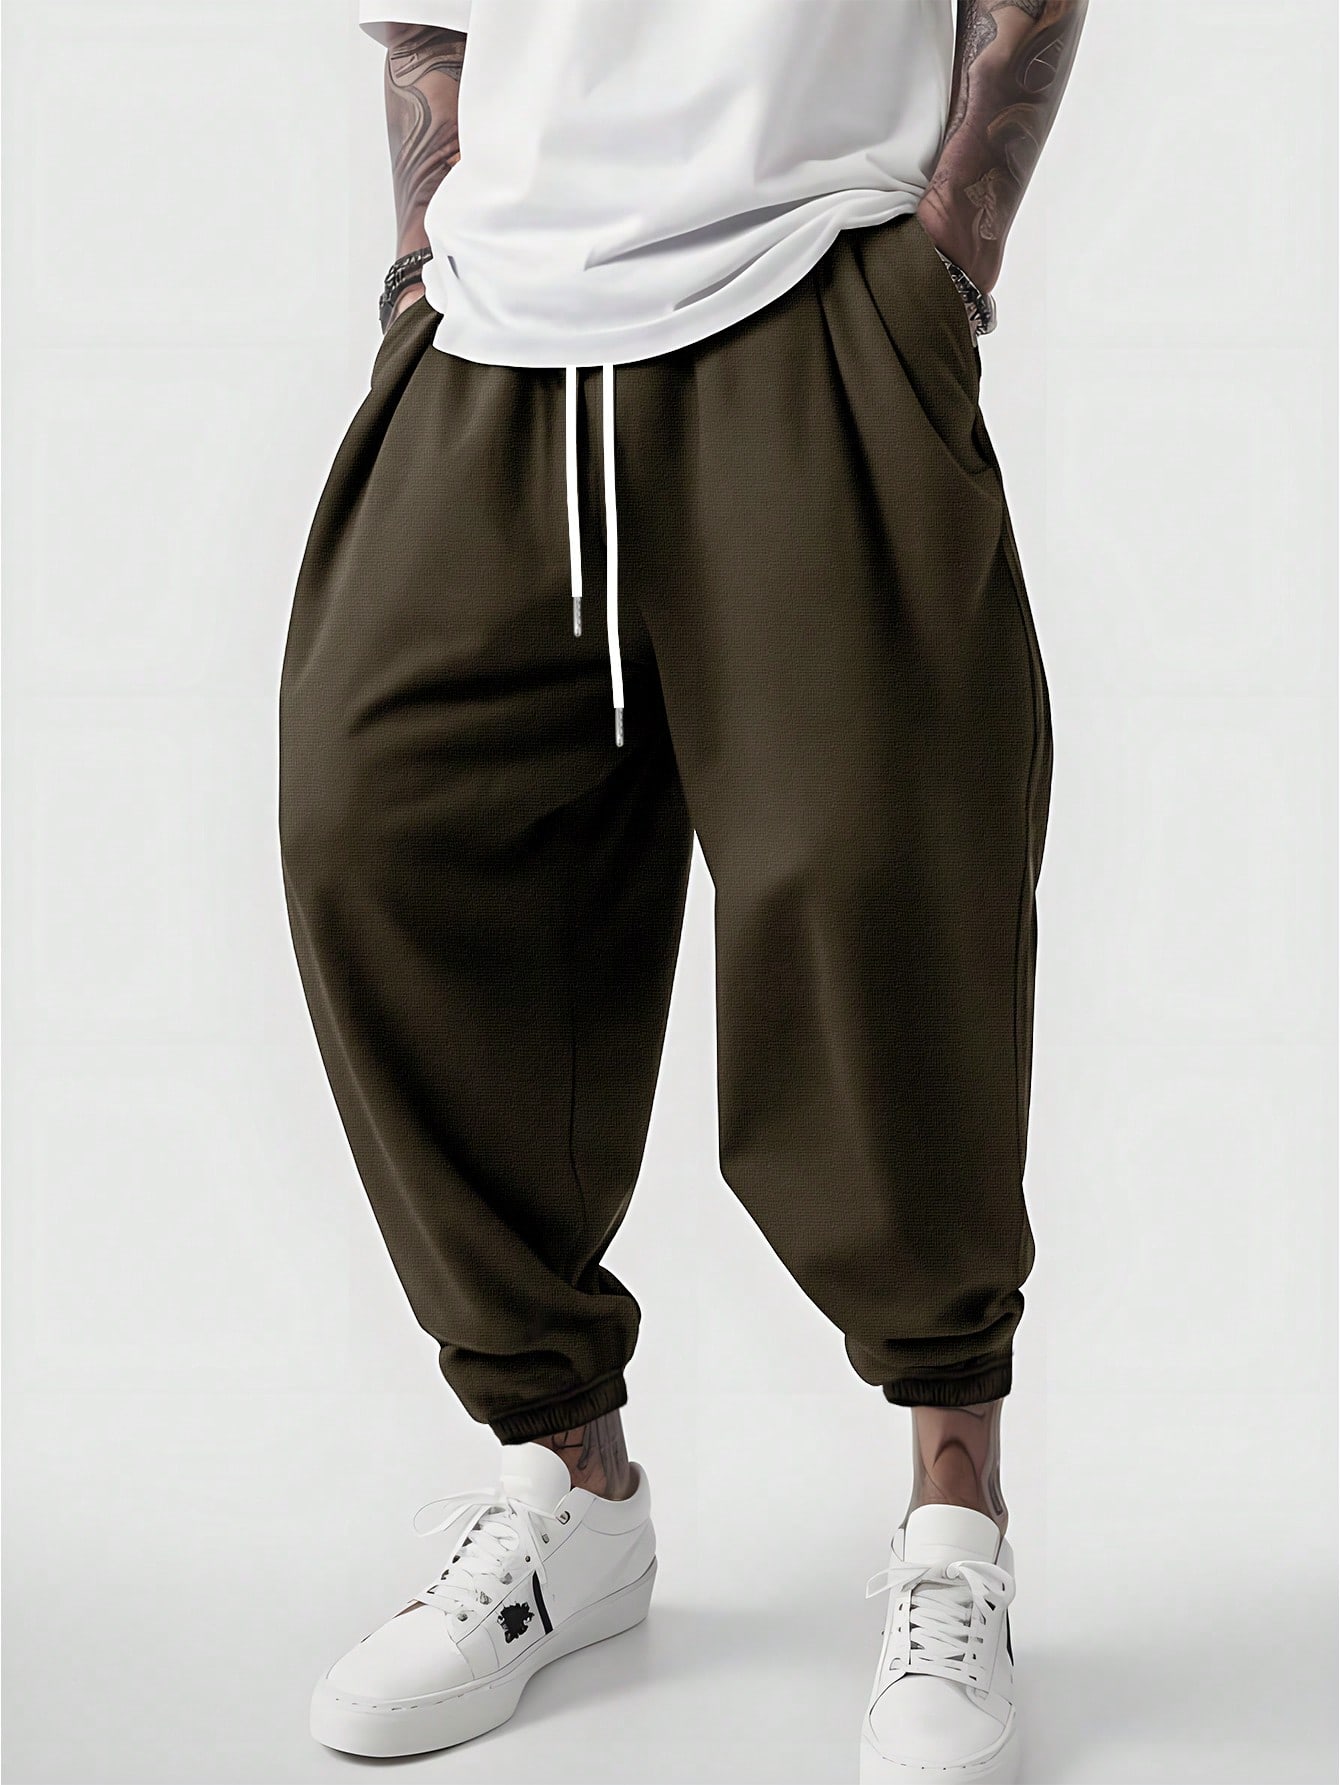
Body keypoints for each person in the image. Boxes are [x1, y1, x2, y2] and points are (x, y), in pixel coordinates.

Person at [280, 1, 1087, 1776]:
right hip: (495, 332)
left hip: (815, 284)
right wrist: (417, 275)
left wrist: (947, 262)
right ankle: (571, 1487)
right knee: (380, 837)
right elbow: (426, 28)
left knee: (881, 881)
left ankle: (955, 1514)